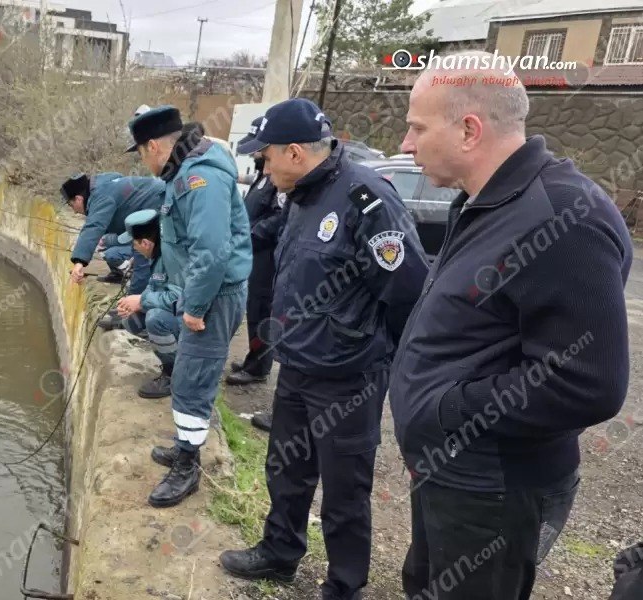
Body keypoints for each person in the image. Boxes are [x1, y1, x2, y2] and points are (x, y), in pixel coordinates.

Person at [390, 51, 632, 599]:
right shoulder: (484, 202)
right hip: (451, 472)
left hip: (495, 490)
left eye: (417, 127)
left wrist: (449, 413)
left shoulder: (565, 217)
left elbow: (588, 382)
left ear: (469, 130)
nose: (406, 144)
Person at [219, 98, 427, 600]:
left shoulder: (366, 199)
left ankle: (344, 585)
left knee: (344, 491)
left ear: (293, 152)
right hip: (298, 366)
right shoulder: (303, 195)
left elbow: (406, 290)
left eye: (264, 156)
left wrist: (381, 360)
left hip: (349, 377)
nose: (261, 168)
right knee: (286, 469)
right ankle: (279, 553)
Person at [127, 106, 252, 508]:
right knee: (187, 374)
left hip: (213, 294)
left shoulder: (200, 178)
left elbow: (212, 252)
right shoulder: (185, 173)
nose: (143, 161)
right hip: (204, 289)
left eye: (142, 153)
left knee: (191, 379)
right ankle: (185, 448)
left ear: (152, 147)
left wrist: (194, 307)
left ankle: (188, 468)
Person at [226, 116, 284, 388]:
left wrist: (249, 235)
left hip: (265, 257)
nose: (256, 155)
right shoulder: (263, 174)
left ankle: (259, 367)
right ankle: (253, 359)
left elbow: (277, 218)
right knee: (254, 309)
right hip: (253, 254)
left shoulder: (277, 181)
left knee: (263, 311)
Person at [115, 209, 182, 399]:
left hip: (195, 321)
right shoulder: (158, 254)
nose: (134, 249)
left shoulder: (172, 258)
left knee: (155, 319)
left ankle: (175, 374)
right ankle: (168, 349)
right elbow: (154, 287)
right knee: (132, 320)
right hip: (177, 314)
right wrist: (134, 302)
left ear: (145, 243)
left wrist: (142, 301)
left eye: (134, 244)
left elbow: (179, 299)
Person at [63, 172, 162, 295]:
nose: (74, 212)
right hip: (152, 212)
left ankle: (134, 309)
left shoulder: (101, 195)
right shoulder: (103, 185)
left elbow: (94, 226)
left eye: (72, 206)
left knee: (141, 263)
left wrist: (79, 263)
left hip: (158, 209)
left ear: (79, 198)